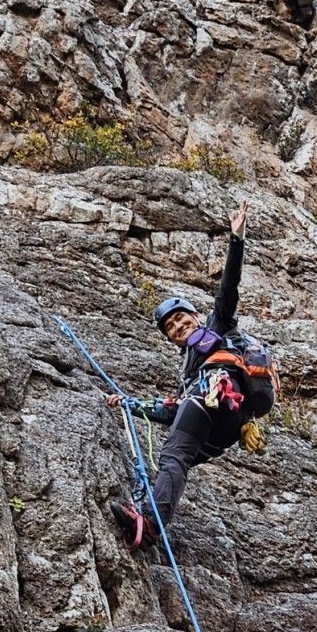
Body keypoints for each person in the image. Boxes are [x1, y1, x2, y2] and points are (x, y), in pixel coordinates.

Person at [107, 198, 270, 550]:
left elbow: (229, 288)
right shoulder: (189, 370)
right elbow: (171, 411)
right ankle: (149, 514)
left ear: (195, 316)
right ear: (169, 337)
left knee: (173, 456)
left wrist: (236, 238)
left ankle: (150, 523)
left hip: (216, 400)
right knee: (174, 460)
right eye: (171, 326)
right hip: (223, 425)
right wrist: (128, 404)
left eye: (182, 319)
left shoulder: (220, 326)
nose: (178, 326)